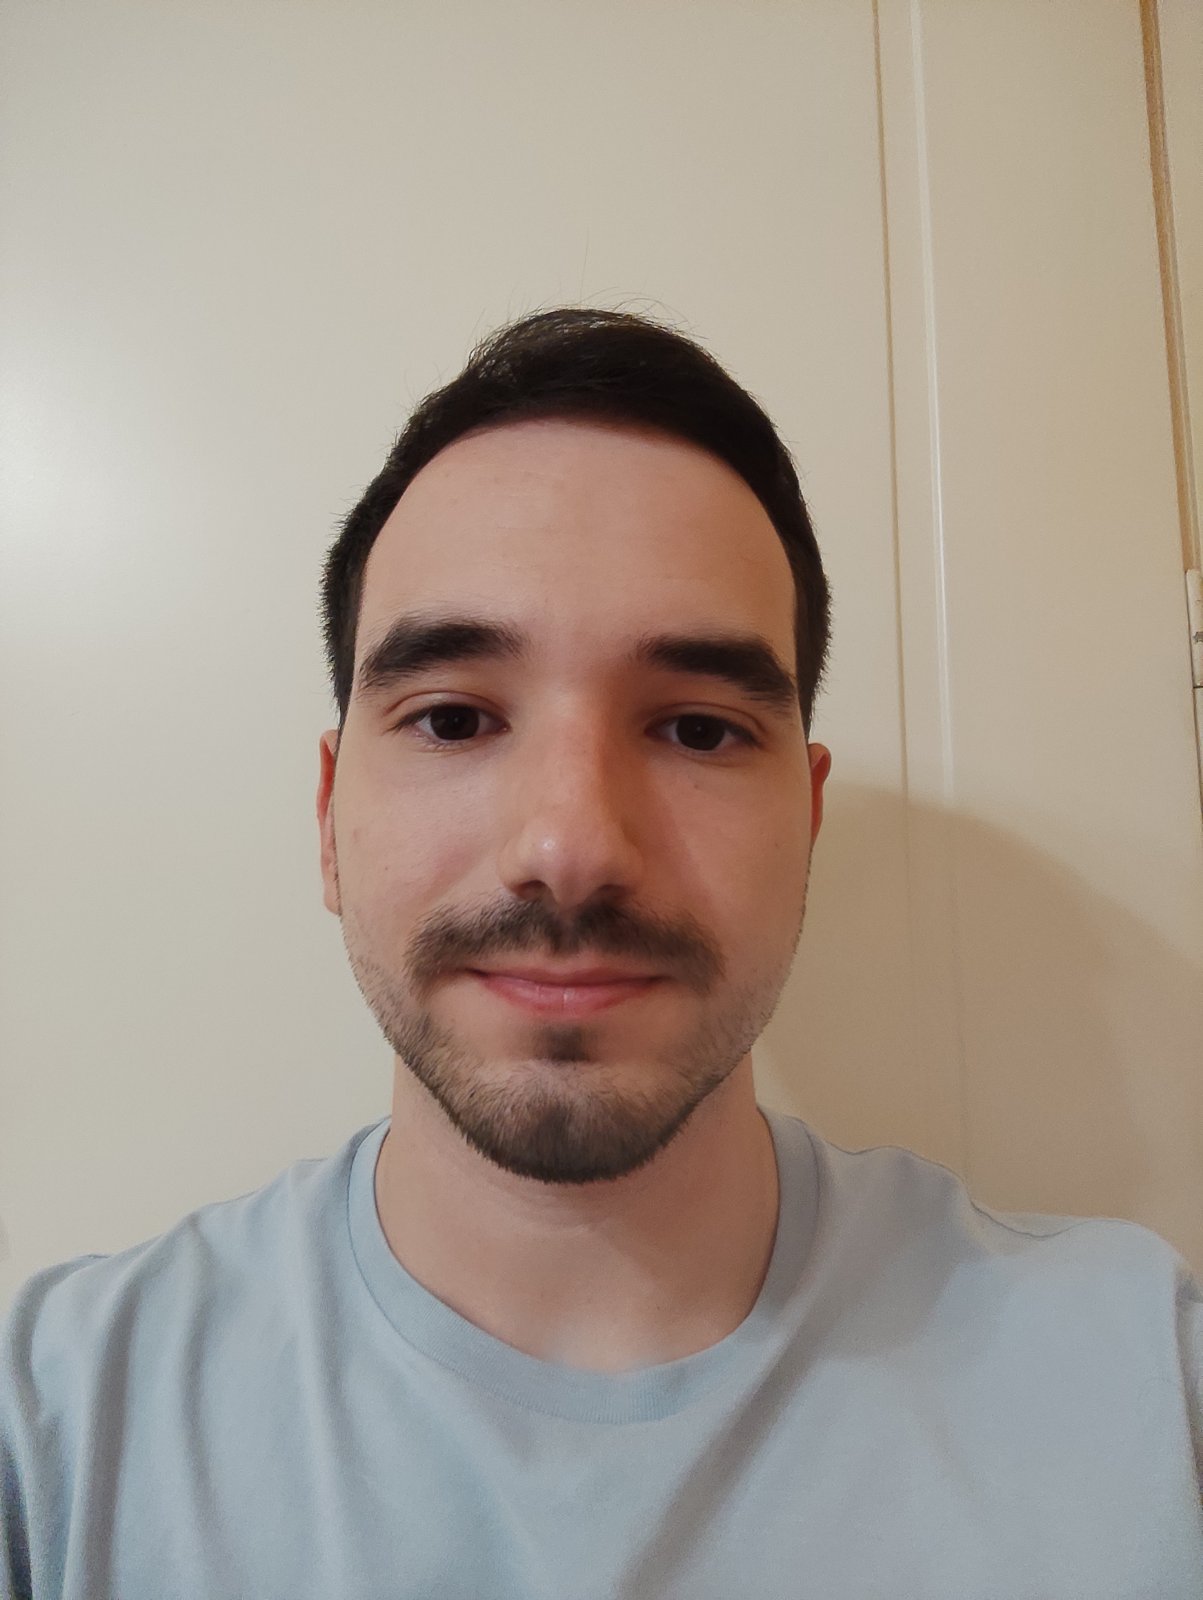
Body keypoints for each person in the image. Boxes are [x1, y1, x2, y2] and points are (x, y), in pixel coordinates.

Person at [2, 308, 1200, 1599]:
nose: (571, 847)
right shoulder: (56, 1436)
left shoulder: (1149, 1390)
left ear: (805, 822)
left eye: (698, 729)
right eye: (454, 719)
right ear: (329, 817)